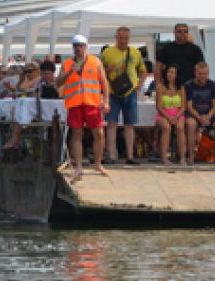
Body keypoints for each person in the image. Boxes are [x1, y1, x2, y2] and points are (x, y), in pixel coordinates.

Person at [56, 34, 110, 180]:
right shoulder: (67, 63)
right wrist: (69, 72)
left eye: (80, 45)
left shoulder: (95, 61)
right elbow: (58, 82)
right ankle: (79, 167)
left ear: (86, 46)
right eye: (75, 46)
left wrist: (106, 101)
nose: (78, 48)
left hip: (92, 102)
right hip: (75, 103)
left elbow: (104, 82)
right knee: (77, 135)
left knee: (99, 133)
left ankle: (98, 163)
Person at [101, 26, 146, 165]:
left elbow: (143, 70)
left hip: (130, 91)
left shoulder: (135, 52)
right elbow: (99, 73)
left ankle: (130, 156)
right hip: (113, 92)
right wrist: (108, 70)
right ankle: (111, 156)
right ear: (116, 37)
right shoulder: (107, 52)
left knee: (129, 124)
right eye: (121, 38)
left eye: (126, 38)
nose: (123, 41)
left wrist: (139, 85)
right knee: (112, 124)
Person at [2, 61, 60, 150]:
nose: (46, 76)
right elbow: (29, 96)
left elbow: (22, 89)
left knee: (18, 110)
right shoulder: (38, 83)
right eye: (44, 74)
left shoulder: (57, 82)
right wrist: (22, 80)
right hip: (40, 112)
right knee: (17, 110)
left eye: (48, 74)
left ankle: (16, 137)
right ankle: (15, 137)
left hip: (55, 113)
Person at [184, 62, 215, 165]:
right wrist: (200, 118)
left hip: (209, 113)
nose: (202, 76)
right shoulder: (188, 86)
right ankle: (191, 156)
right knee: (191, 125)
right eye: (200, 74)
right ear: (195, 73)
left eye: (204, 74)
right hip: (194, 114)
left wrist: (207, 117)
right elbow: (189, 107)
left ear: (208, 73)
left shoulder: (213, 86)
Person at [155, 64, 187, 165]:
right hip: (164, 114)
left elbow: (183, 106)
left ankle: (182, 157)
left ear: (176, 74)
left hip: (178, 113)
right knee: (166, 128)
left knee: (180, 128)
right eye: (168, 72)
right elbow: (159, 107)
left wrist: (176, 116)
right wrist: (168, 117)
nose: (170, 74)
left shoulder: (181, 88)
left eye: (172, 72)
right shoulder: (161, 87)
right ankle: (164, 157)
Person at [156, 24, 206, 88]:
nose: (182, 34)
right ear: (174, 33)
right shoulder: (166, 48)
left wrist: (202, 84)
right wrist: (158, 84)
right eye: (179, 31)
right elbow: (158, 66)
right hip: (171, 86)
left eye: (185, 31)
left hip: (191, 86)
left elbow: (202, 67)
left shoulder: (195, 49)